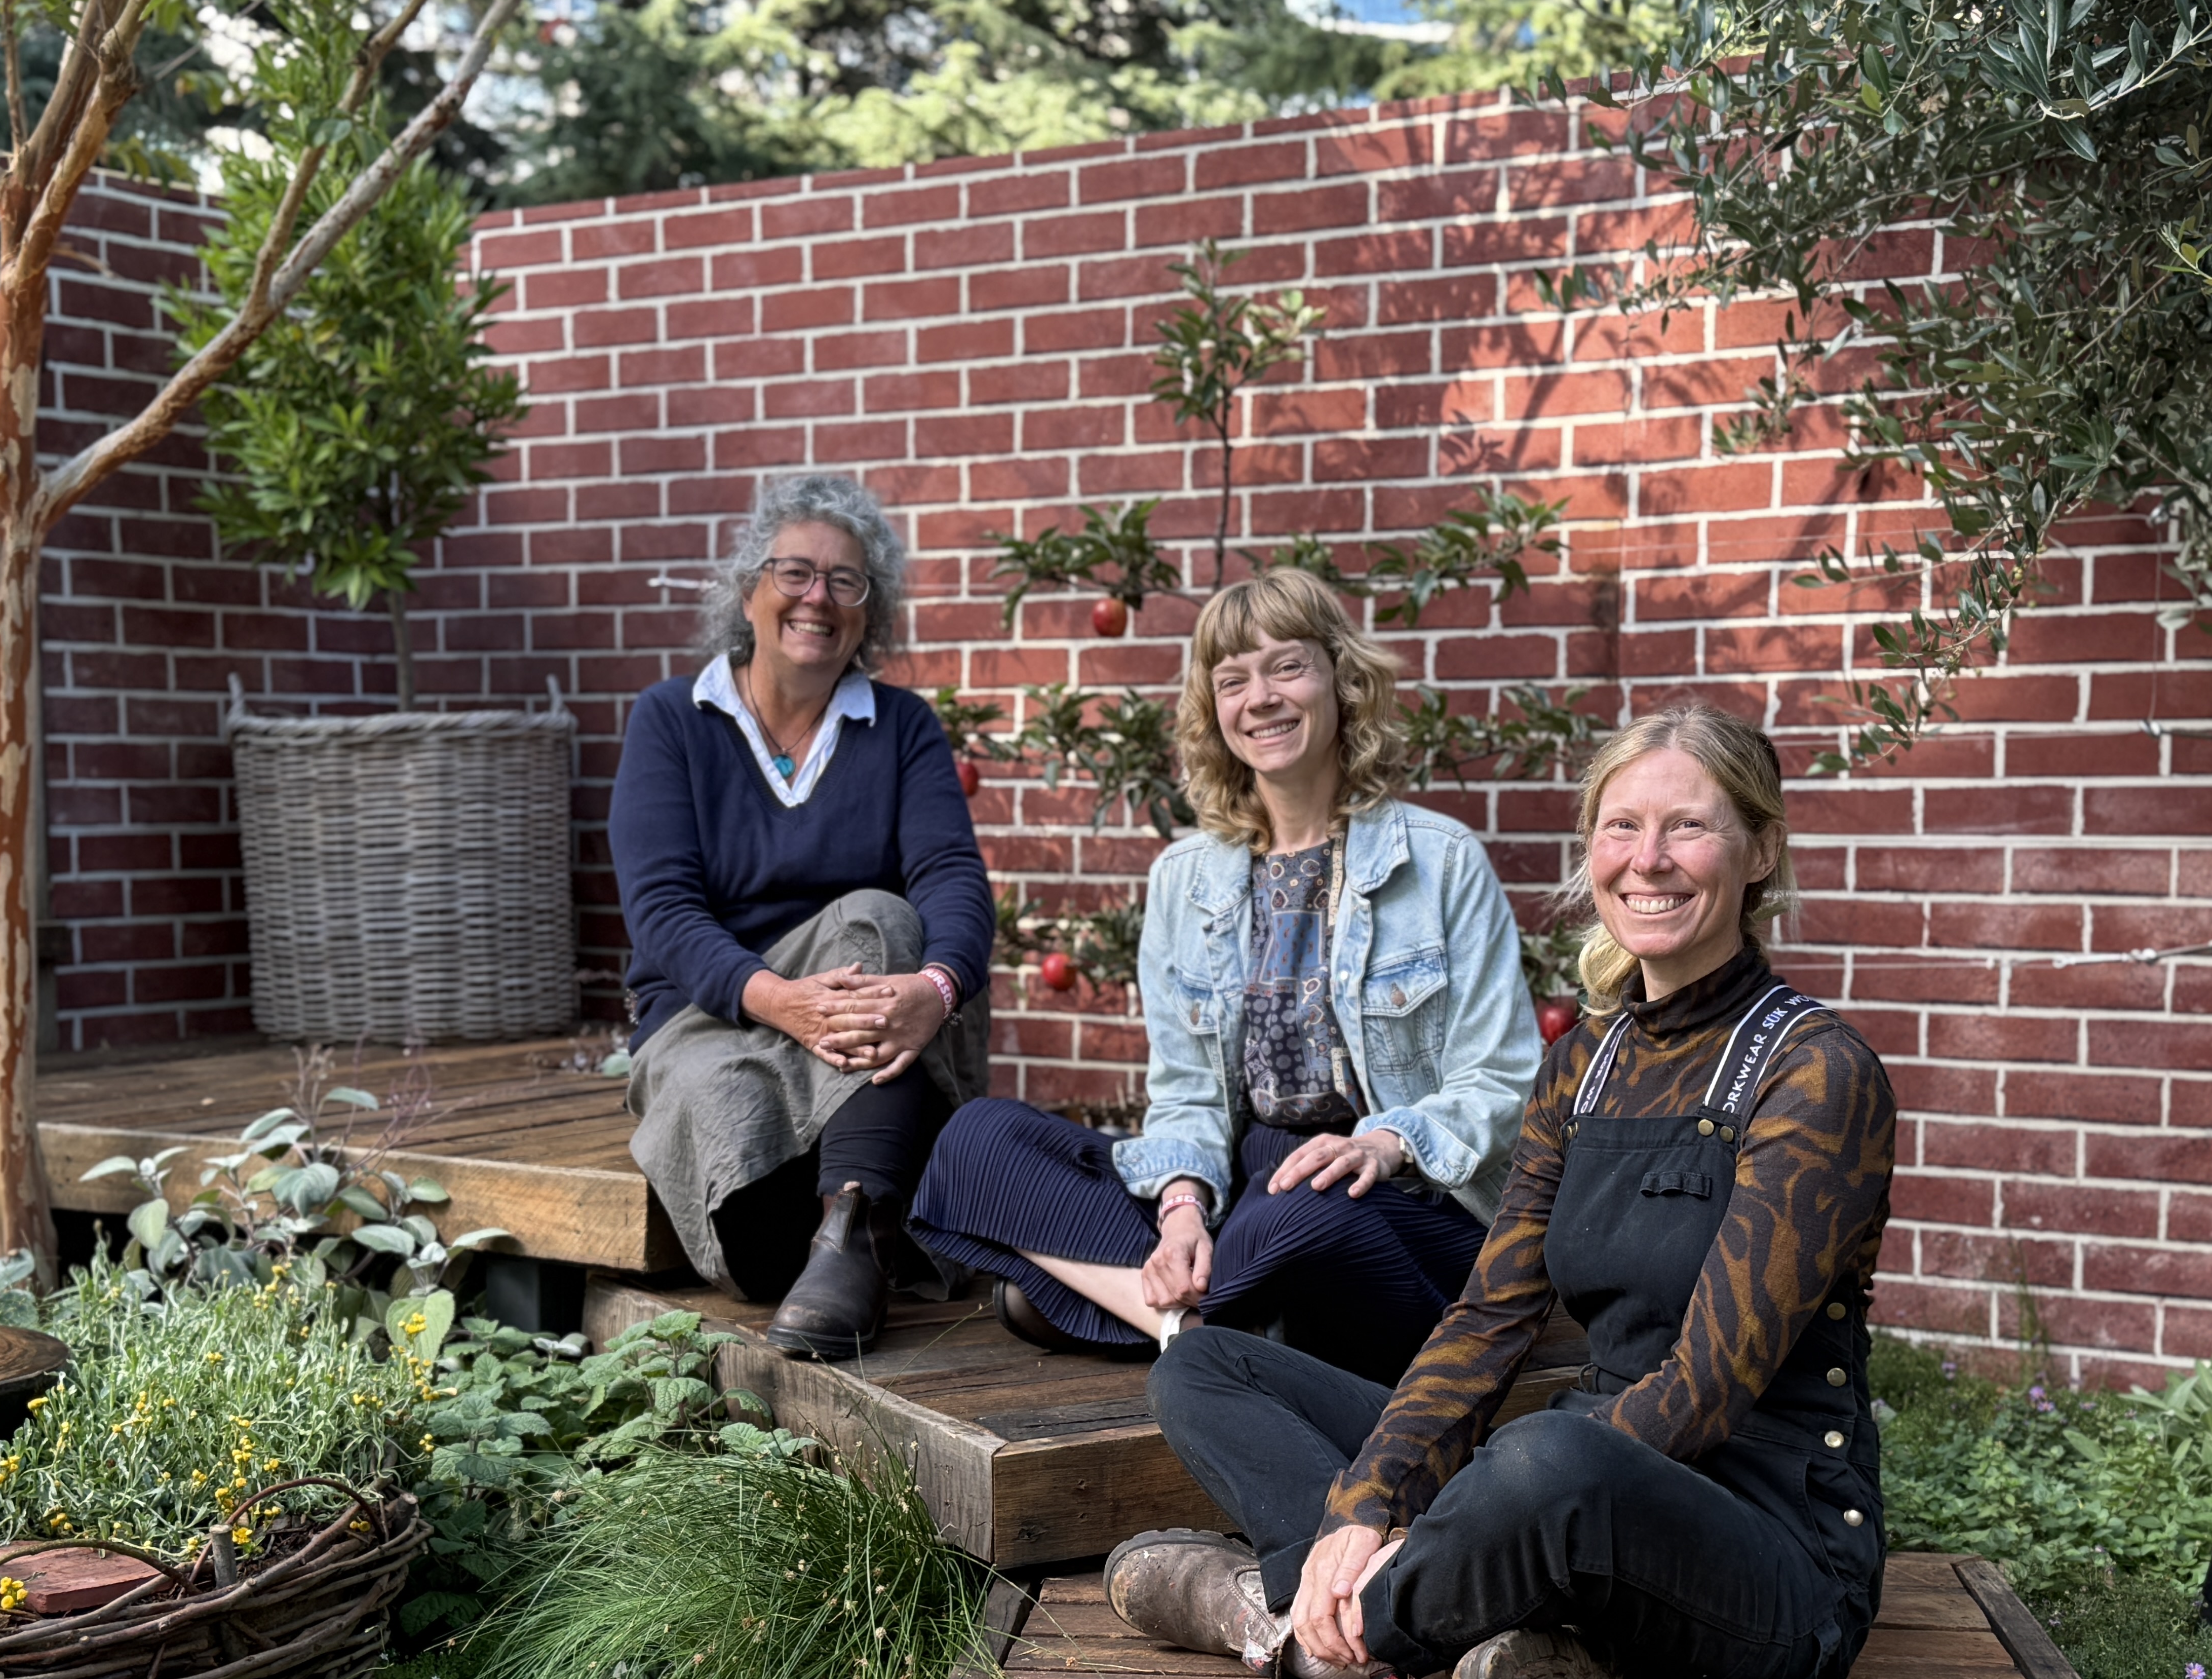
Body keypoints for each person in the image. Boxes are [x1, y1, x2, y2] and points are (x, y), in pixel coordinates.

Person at [1102, 701, 1896, 1679]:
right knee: (1206, 1366)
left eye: (1688, 827)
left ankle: (1289, 1624)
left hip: (1768, 1556)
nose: (1648, 860)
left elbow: (1707, 1389)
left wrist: (1462, 1513)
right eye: (1622, 827)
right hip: (1578, 1488)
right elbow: (1489, 1319)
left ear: (1759, 851)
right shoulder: (1584, 1068)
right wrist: (1369, 1504)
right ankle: (1476, 1622)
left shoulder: (1814, 1073)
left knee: (1546, 1456)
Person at [910, 568, 1537, 1385]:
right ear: (1214, 710)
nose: (1261, 699)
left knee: (1303, 1220)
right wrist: (1181, 1215)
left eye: (1287, 667)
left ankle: (1107, 1299)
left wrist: (1383, 1145)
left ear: (1341, 680)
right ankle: (1193, 1324)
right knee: (977, 1140)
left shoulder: (1441, 862)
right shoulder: (1185, 879)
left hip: (1398, 1203)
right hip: (1241, 1189)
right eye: (1233, 680)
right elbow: (1187, 1095)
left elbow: (1502, 1080)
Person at [612, 472, 995, 1360]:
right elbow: (663, 910)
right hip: (712, 1012)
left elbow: (952, 878)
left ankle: (851, 1226)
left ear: (869, 613)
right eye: (795, 572)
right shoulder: (671, 719)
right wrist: (781, 1001)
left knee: (879, 916)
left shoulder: (901, 727)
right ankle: (857, 1226)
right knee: (719, 1108)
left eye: (845, 581)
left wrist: (939, 989)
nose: (817, 597)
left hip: (862, 1002)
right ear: (748, 590)